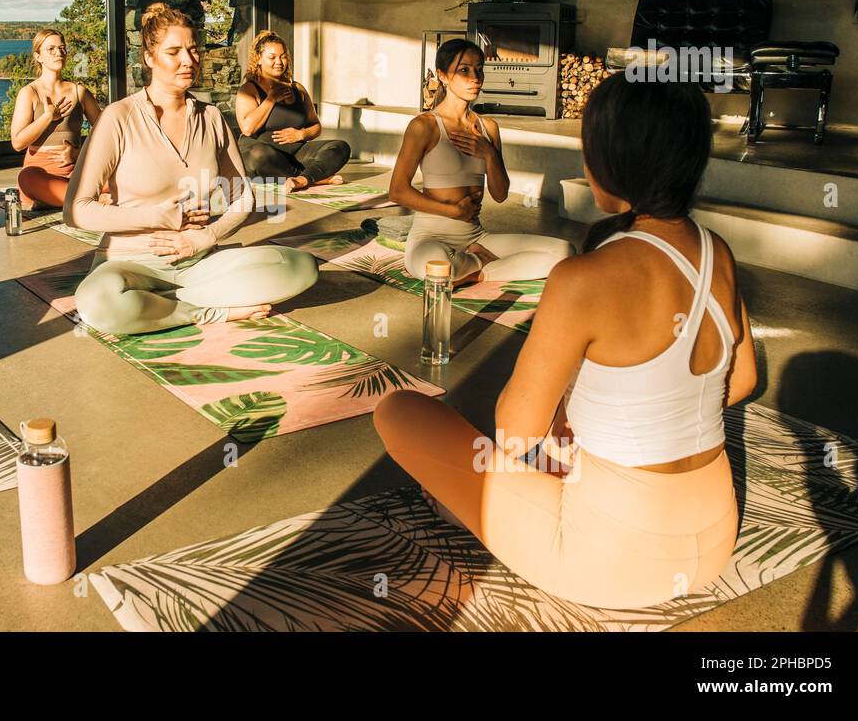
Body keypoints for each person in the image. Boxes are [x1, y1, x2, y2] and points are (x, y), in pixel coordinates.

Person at [374, 72, 757, 610]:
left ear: (610, 164)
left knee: (399, 412)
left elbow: (514, 430)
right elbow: (742, 382)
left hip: (607, 561)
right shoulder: (718, 252)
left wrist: (572, 417)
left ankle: (469, 507)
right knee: (563, 440)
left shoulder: (585, 278)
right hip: (716, 536)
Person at [63, 4, 318, 336]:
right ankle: (203, 312)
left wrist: (206, 237)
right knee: (97, 301)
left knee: (302, 267)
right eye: (174, 52)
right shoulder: (118, 117)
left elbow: (242, 198)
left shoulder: (211, 118)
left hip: (199, 259)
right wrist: (160, 217)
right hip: (130, 263)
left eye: (194, 50)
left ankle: (157, 303)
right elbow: (76, 211)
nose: (188, 60)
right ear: (149, 58)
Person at [391, 38, 573, 284]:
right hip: (430, 237)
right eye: (464, 70)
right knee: (436, 268)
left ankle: (476, 268)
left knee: (565, 252)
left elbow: (500, 194)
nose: (475, 77)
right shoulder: (425, 126)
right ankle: (478, 263)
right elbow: (397, 191)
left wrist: (488, 153)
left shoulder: (489, 128)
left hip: (476, 236)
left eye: (479, 69)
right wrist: (453, 211)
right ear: (443, 76)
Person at [234, 30, 350, 191]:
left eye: (283, 56)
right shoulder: (248, 89)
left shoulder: (298, 88)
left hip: (296, 153)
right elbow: (247, 128)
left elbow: (316, 126)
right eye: (272, 57)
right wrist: (271, 99)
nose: (279, 62)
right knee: (258, 156)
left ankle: (301, 179)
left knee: (340, 147)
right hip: (264, 156)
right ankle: (312, 178)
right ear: (258, 59)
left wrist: (301, 134)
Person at [10, 29, 103, 209]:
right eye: (50, 49)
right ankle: (89, 200)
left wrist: (79, 153)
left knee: (123, 173)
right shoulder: (29, 93)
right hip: (42, 174)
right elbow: (17, 143)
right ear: (38, 56)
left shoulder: (79, 92)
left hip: (77, 172)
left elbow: (106, 135)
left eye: (62, 48)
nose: (59, 53)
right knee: (27, 178)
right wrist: (48, 117)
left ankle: (73, 201)